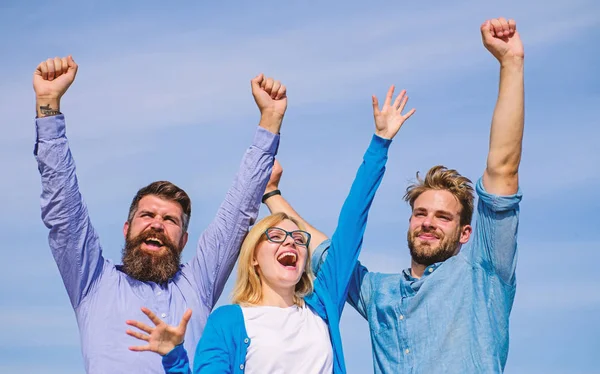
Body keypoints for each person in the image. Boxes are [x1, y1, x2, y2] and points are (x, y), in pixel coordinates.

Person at [263, 17, 525, 373]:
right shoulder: (379, 294)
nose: (428, 223)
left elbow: (502, 171)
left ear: (466, 232)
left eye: (443, 217)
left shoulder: (483, 275)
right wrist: (272, 194)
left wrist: (510, 64)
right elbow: (324, 249)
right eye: (421, 213)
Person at [125, 86, 416, 373]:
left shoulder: (321, 306)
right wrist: (175, 358)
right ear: (253, 256)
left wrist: (380, 143)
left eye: (297, 239)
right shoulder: (228, 322)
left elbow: (352, 225)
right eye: (275, 236)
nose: (290, 243)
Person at [33, 55, 286, 373]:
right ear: (126, 228)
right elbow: (64, 210)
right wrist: (48, 105)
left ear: (184, 239)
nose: (156, 224)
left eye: (170, 221)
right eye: (147, 215)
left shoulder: (196, 285)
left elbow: (237, 215)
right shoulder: (93, 282)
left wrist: (270, 122)